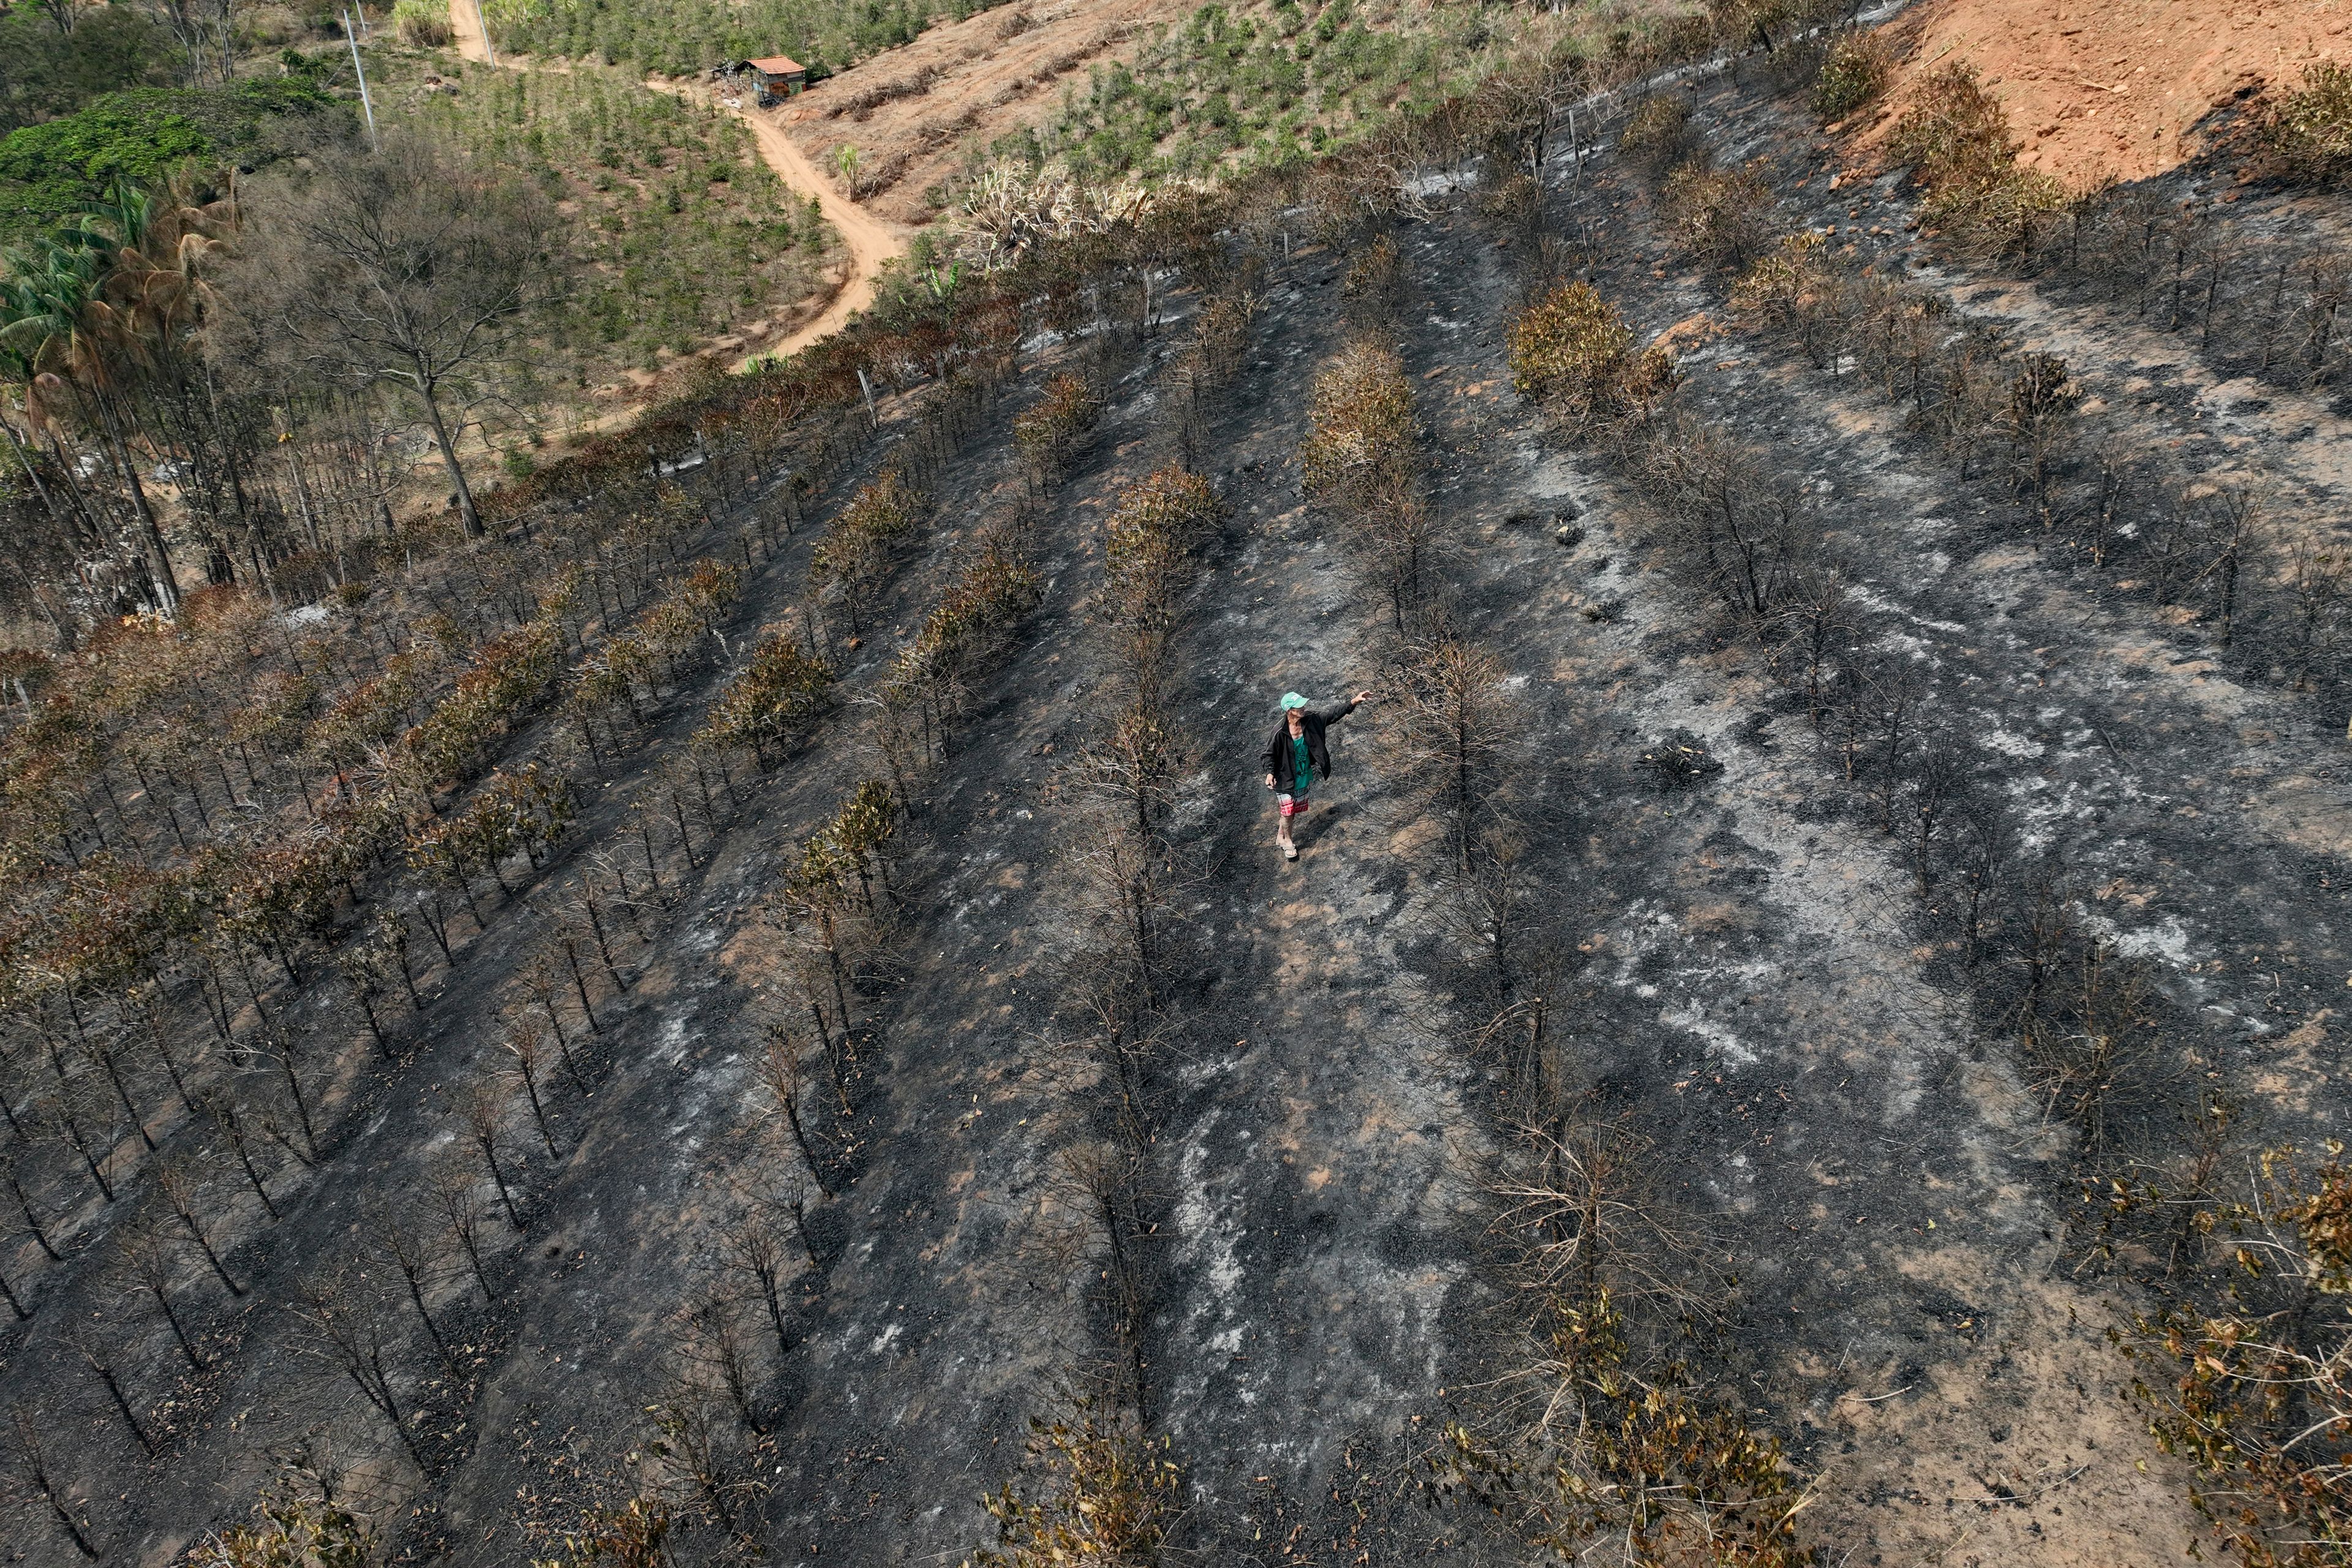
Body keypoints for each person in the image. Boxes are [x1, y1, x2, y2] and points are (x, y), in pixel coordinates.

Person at [1261, 689, 1373, 861]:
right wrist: (1269, 773)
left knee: (1291, 811)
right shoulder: (1279, 732)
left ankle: (1280, 837)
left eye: (1303, 704)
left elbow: (1332, 714)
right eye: (1299, 706)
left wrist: (1353, 702)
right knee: (1288, 811)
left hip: (1303, 773)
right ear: (1289, 710)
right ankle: (1288, 842)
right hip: (1284, 777)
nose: (1304, 708)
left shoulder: (1312, 720)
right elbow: (1269, 755)